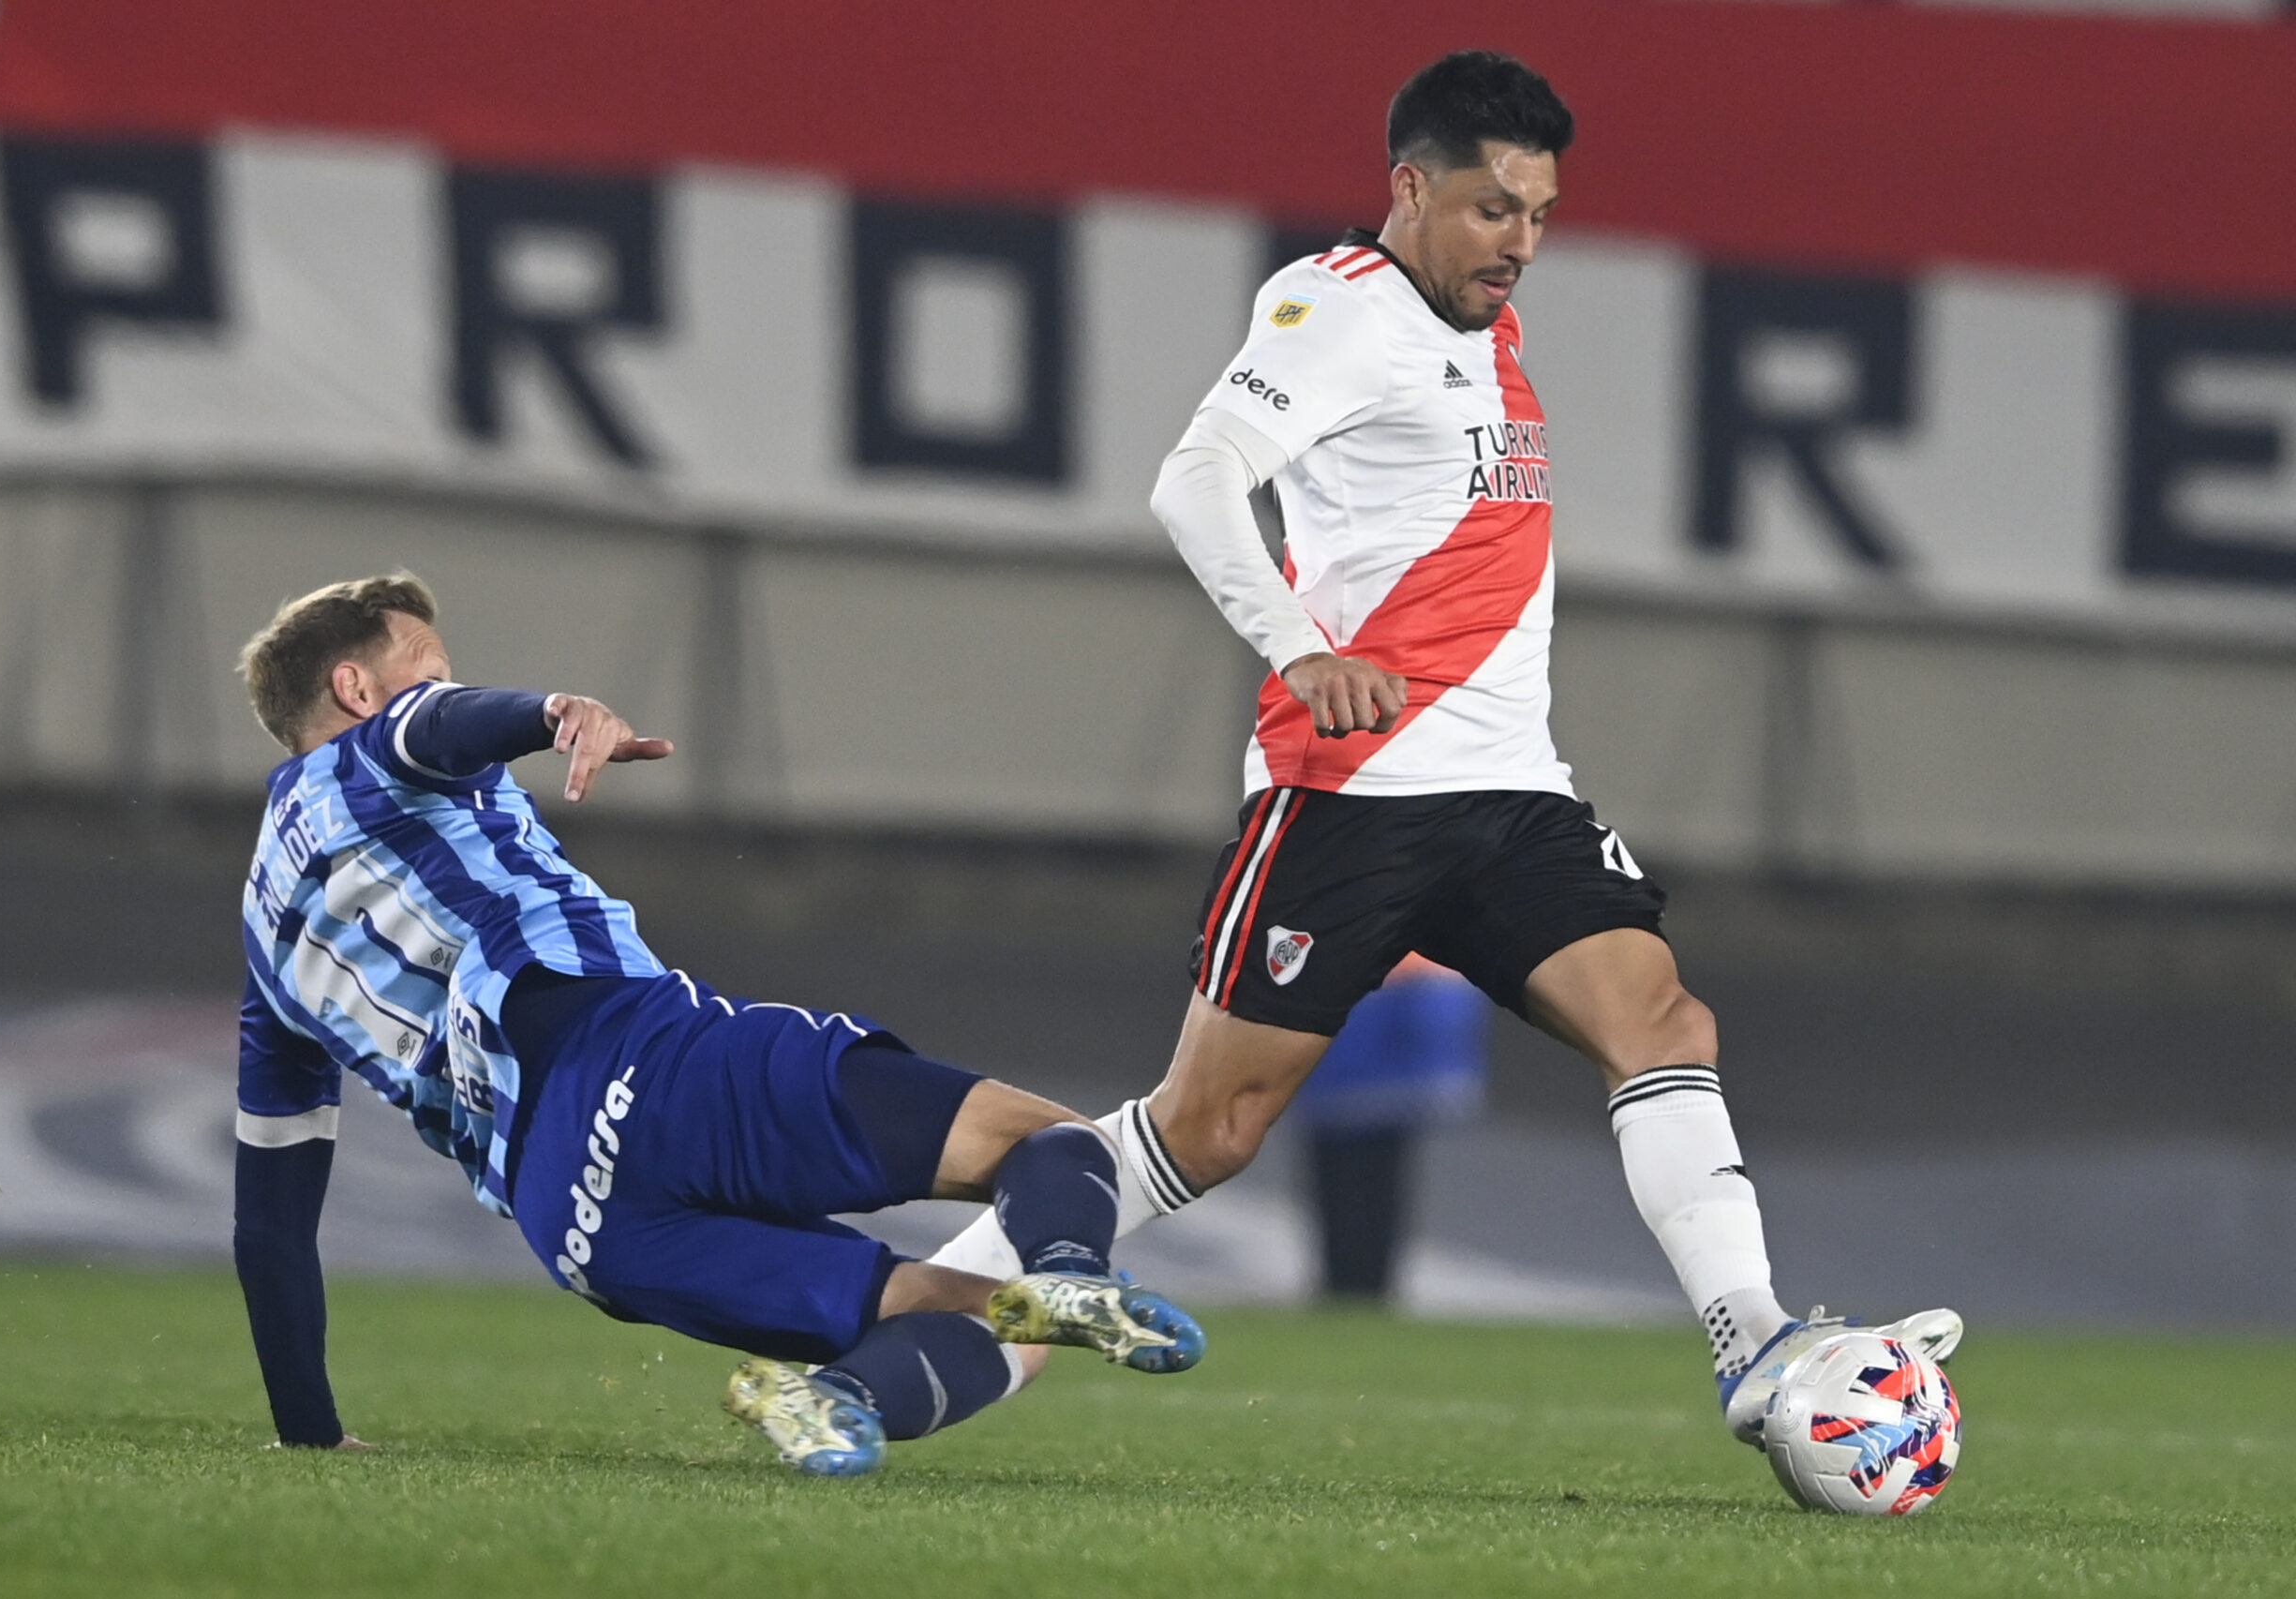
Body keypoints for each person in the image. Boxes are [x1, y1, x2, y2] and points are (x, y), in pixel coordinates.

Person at [930, 51, 1958, 1448]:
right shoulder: (1331, 309)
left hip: (1512, 792)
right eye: (1491, 209)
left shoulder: (1486, 323)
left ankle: (1756, 1345)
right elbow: (1195, 479)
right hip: (1352, 795)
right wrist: (1300, 648)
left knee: (1662, 1020)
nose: (1519, 242)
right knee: (1206, 1132)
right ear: (1409, 188)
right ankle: (928, 1302)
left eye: (1539, 213)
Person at [230, 575, 1201, 1477]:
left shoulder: (268, 952)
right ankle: (1072, 1269)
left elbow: (270, 1223)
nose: (440, 683)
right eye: (426, 667)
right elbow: (438, 725)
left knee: (987, 1316)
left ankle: (838, 1397)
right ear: (356, 688)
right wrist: (549, 711)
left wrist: (308, 1428)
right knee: (1048, 1145)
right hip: (633, 1058)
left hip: (572, 1220)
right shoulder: (374, 754)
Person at [1294, 955, 1489, 1301]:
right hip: (1378, 1083)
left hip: (1339, 1079)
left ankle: (1348, 1284)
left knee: (1345, 1191)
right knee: (1375, 1192)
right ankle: (1366, 1284)